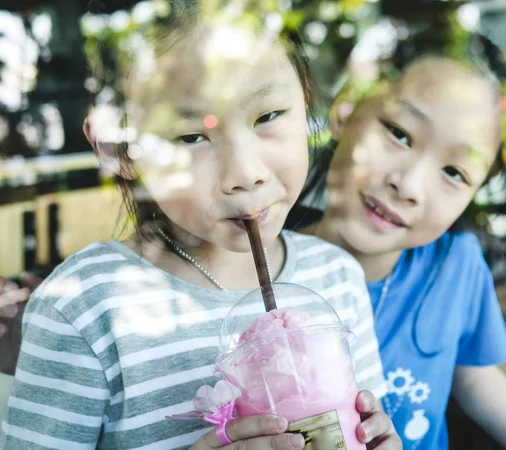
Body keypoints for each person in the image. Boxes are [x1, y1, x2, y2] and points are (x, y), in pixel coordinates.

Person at [0, 2, 401, 449]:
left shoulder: (337, 278)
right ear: (119, 149)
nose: (245, 172)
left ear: (307, 100)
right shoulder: (84, 311)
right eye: (191, 137)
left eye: (268, 116)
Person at [292, 17, 506, 450]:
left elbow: (472, 376)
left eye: (454, 172)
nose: (409, 184)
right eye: (399, 133)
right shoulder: (257, 268)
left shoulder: (455, 266)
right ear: (346, 109)